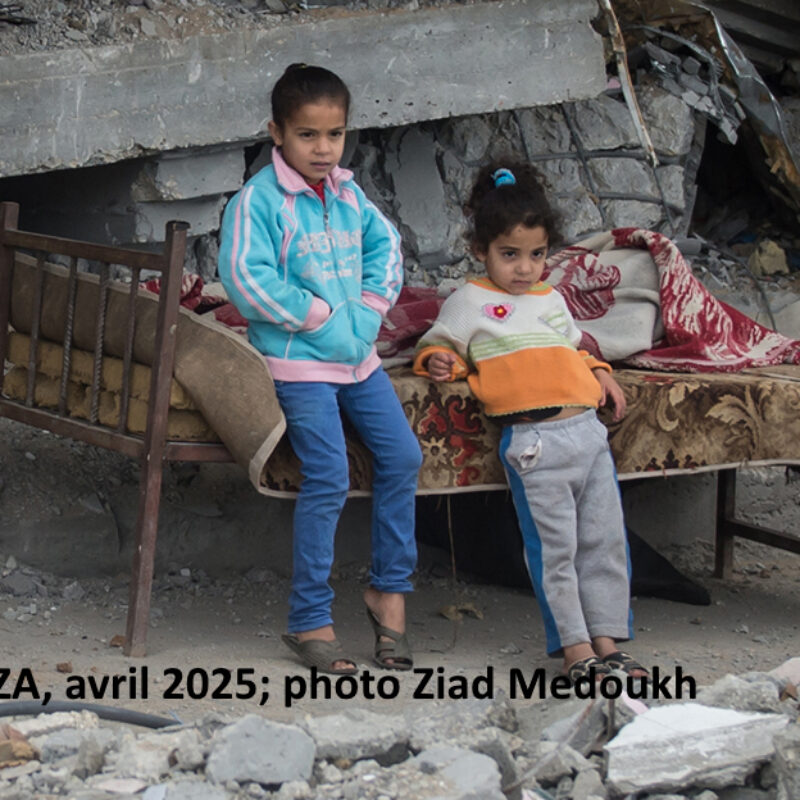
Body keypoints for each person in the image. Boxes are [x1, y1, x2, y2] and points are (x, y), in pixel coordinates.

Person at [218, 64, 422, 675]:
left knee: (403, 457)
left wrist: (368, 311)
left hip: (359, 362)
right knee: (328, 473)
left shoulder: (349, 192)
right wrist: (320, 317)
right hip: (299, 362)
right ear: (277, 132)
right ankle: (310, 616)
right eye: (308, 135)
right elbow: (247, 277)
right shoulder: (259, 201)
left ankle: (388, 592)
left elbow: (386, 249)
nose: (323, 149)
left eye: (334, 135)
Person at [413, 162, 648, 684]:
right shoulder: (470, 301)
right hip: (534, 441)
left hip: (587, 434)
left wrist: (601, 372)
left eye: (537, 255)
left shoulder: (552, 299)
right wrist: (435, 361)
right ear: (482, 251)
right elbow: (438, 343)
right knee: (555, 551)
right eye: (510, 255)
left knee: (605, 544)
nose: (525, 269)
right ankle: (575, 649)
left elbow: (572, 350)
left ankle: (610, 644)